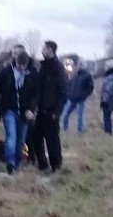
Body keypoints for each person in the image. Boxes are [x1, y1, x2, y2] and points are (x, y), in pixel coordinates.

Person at [0, 50, 38, 174]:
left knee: (21, 140)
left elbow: (36, 94)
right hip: (9, 110)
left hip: (25, 112)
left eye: (23, 65)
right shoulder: (7, 72)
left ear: (27, 63)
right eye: (18, 64)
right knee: (11, 136)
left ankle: (16, 162)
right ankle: (10, 163)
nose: (20, 67)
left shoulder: (33, 74)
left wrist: (31, 110)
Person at [32, 40, 67, 172]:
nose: (42, 51)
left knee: (52, 141)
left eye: (44, 49)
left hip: (52, 111)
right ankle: (43, 165)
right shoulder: (44, 67)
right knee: (36, 138)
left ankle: (56, 167)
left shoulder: (57, 68)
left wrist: (57, 112)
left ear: (51, 50)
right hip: (41, 110)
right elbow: (39, 89)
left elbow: (63, 91)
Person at [62, 60, 94, 133]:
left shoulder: (87, 75)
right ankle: (64, 128)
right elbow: (69, 85)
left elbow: (90, 87)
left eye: (81, 64)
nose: (79, 66)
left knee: (80, 116)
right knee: (65, 114)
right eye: (78, 64)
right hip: (71, 99)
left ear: (84, 66)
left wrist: (84, 95)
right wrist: (69, 93)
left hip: (80, 99)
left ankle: (80, 131)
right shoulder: (74, 75)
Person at [100, 59, 113, 135]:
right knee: (107, 117)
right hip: (111, 100)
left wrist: (104, 101)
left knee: (106, 117)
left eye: (106, 66)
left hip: (108, 101)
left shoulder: (110, 77)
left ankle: (108, 132)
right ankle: (108, 131)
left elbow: (108, 90)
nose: (105, 67)